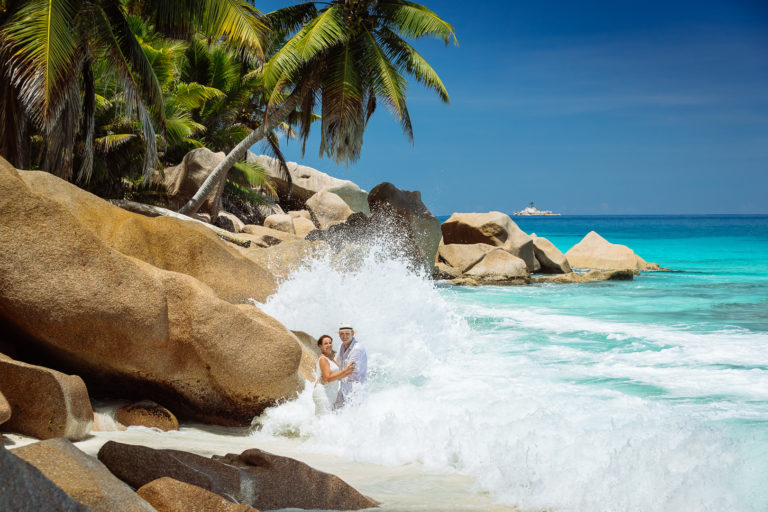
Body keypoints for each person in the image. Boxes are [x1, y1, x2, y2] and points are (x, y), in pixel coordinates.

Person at [312, 334, 355, 414]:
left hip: (329, 394)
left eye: (330, 343)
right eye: (326, 343)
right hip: (323, 394)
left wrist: (348, 372)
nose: (329, 345)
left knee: (325, 421)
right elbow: (327, 379)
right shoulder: (323, 359)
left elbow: (337, 376)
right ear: (320, 346)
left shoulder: (331, 360)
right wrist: (345, 371)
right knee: (323, 421)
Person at [334, 322, 368, 409]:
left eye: (347, 334)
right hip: (344, 387)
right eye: (342, 334)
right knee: (335, 413)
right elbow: (335, 363)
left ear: (352, 333)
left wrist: (332, 377)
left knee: (352, 417)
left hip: (355, 390)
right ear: (339, 335)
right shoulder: (342, 346)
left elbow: (351, 373)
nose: (344, 336)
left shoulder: (357, 349)